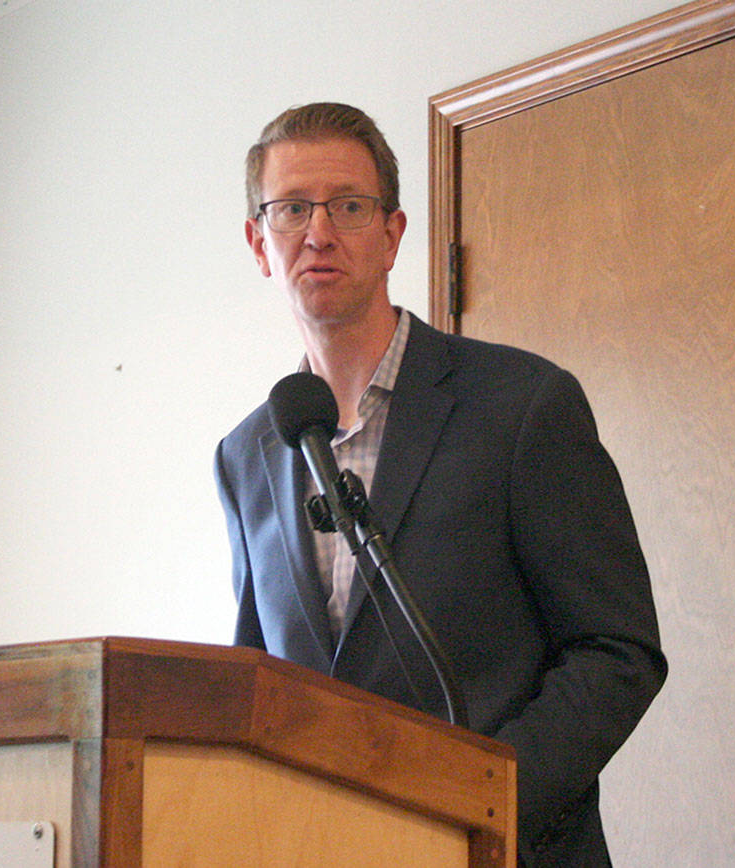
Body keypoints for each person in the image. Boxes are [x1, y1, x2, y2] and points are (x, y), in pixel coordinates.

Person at [214, 102, 666, 867]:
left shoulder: (522, 405)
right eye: (291, 208)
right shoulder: (246, 455)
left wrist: (481, 804)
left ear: (392, 235)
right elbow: (263, 684)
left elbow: (617, 651)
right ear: (260, 242)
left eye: (348, 206)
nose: (318, 232)